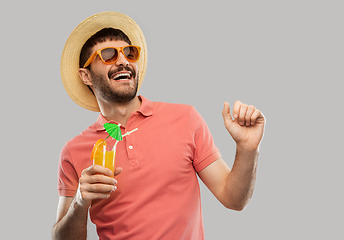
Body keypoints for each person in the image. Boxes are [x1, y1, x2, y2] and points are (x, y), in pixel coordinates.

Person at [52, 12, 265, 240]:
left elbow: (234, 199)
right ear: (85, 76)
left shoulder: (186, 118)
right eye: (108, 55)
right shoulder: (74, 151)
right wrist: (79, 202)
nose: (123, 61)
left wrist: (247, 149)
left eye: (129, 53)